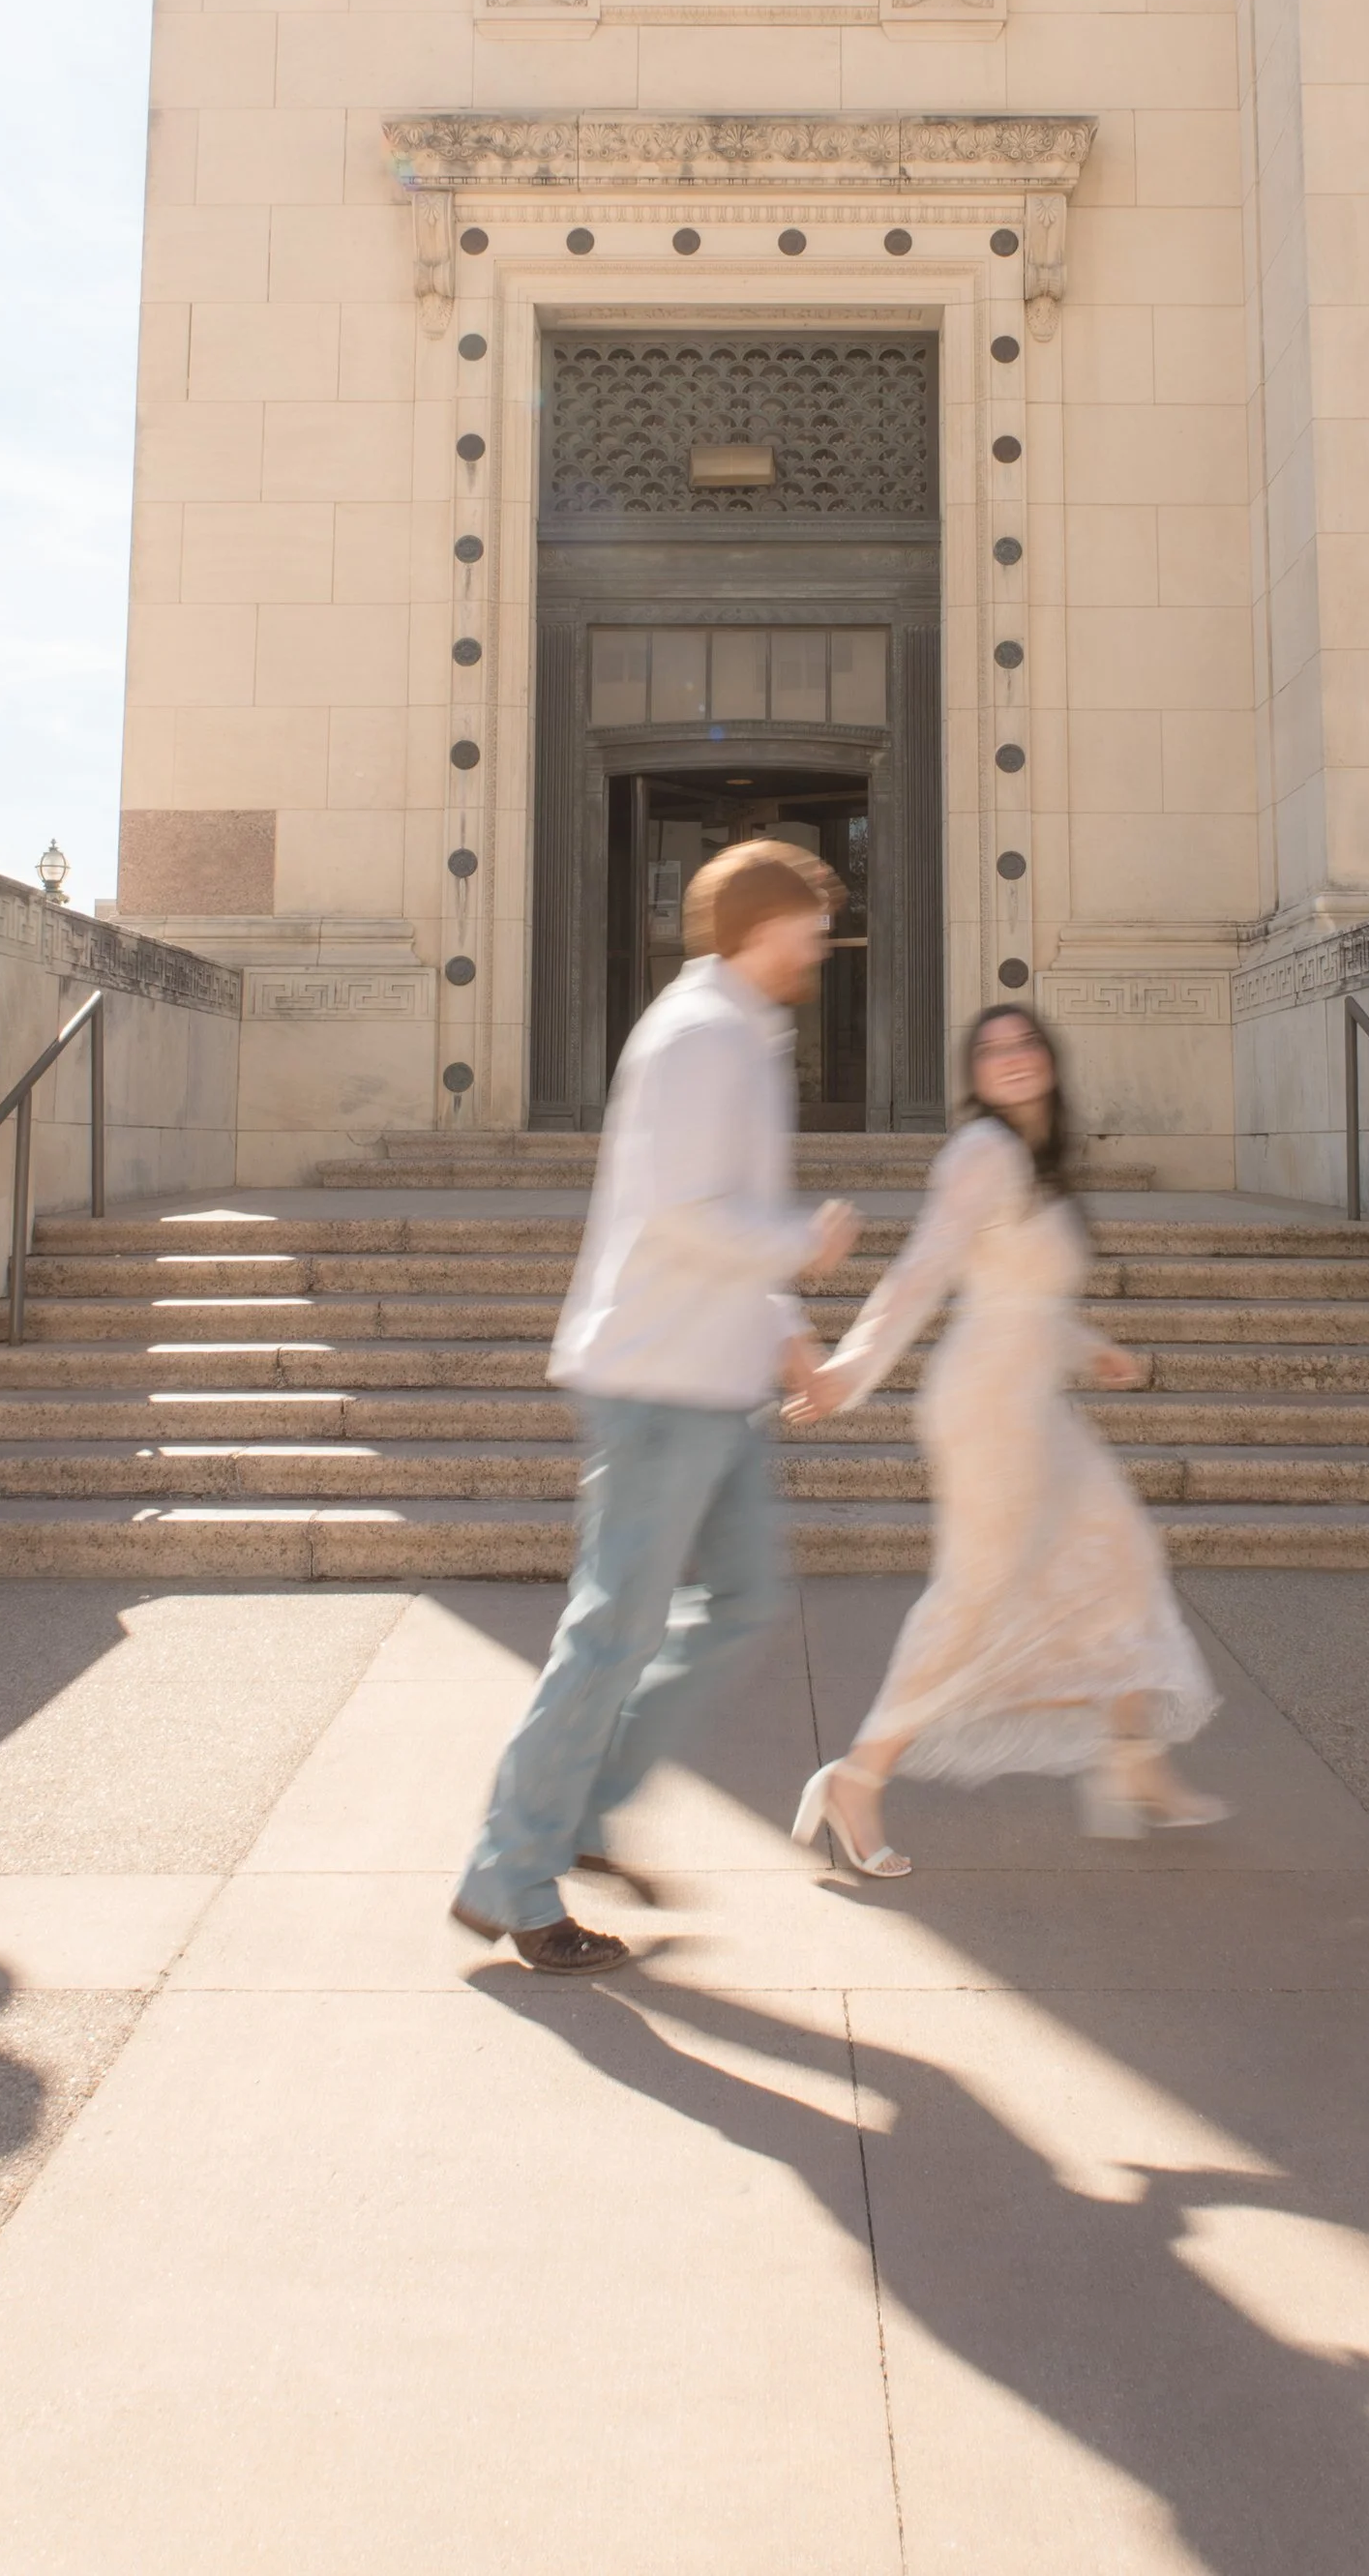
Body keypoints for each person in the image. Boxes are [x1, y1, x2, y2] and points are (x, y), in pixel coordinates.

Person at [453, 841, 861, 1969]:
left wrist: (789, 1338)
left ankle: (579, 1812)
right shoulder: (697, 1037)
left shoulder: (741, 1033)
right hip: (653, 1382)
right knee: (611, 1632)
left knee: (739, 1600)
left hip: (715, 1380)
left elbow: (724, 1209)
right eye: (814, 923)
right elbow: (685, 1212)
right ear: (764, 927)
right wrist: (804, 1245)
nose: (825, 943)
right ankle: (509, 1876)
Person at [785, 1002, 1224, 1877]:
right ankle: (858, 1779)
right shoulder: (981, 1154)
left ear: (1049, 1059)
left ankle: (1130, 1758)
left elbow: (1024, 1297)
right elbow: (926, 1269)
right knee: (973, 1596)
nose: (1012, 1058)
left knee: (1122, 1558)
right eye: (991, 1051)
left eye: (1024, 1042)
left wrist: (1091, 1349)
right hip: (986, 1404)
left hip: (1034, 1399)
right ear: (974, 1077)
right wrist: (848, 1369)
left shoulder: (1035, 1164)